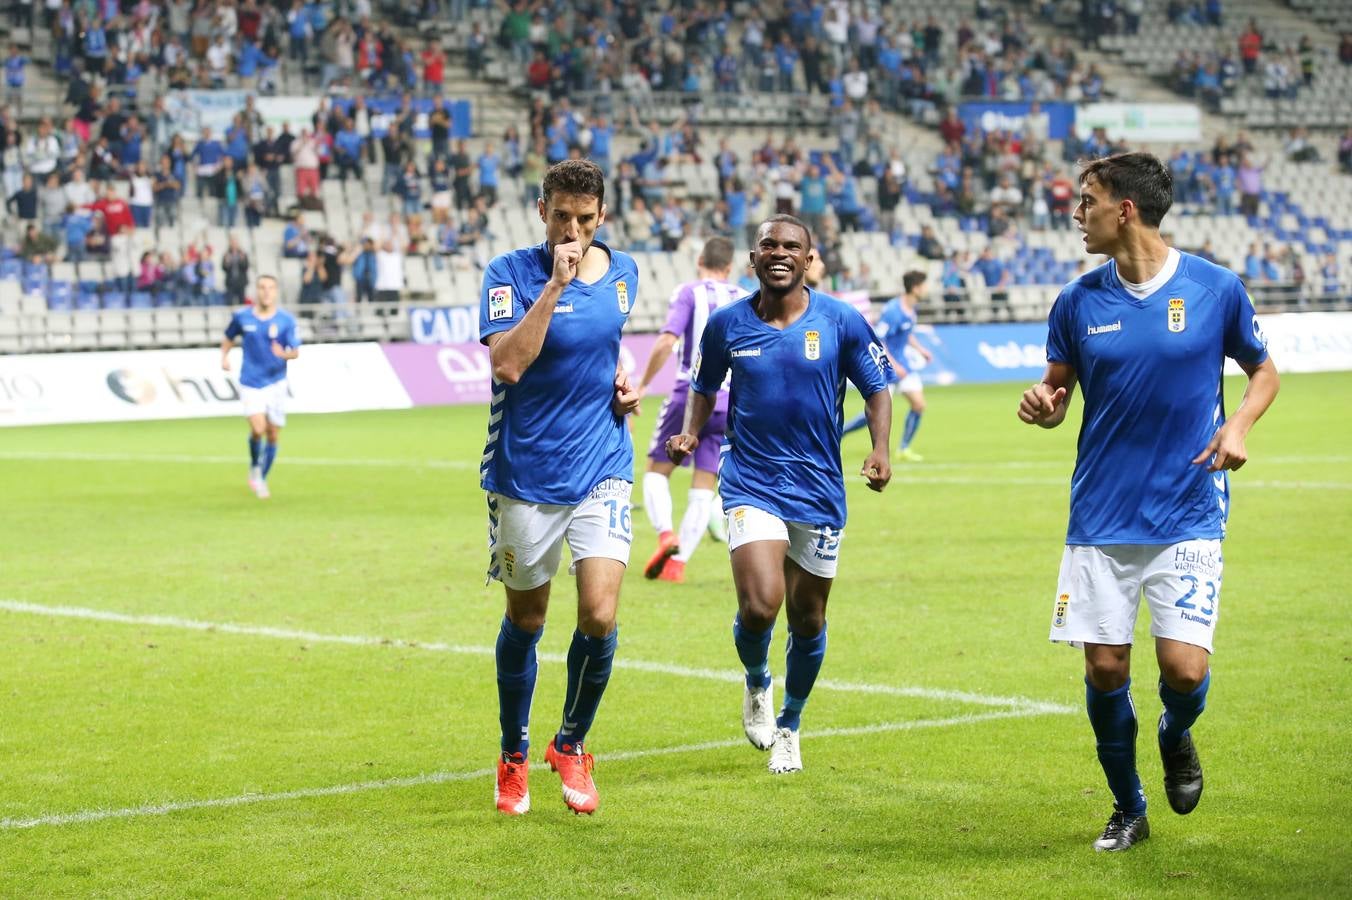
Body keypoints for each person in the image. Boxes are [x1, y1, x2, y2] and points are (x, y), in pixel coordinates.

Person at [1017, 152, 1279, 853]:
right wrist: (1044, 406)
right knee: (1104, 669)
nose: (1077, 214)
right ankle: (1128, 806)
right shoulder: (1077, 301)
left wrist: (1238, 425)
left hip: (1187, 507)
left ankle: (1175, 730)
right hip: (1100, 514)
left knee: (1184, 672)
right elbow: (1056, 391)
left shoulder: (1215, 288)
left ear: (1125, 209)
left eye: (1088, 201)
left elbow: (1263, 372)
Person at [667, 215, 892, 775]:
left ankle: (790, 725)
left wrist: (880, 448)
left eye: (792, 246)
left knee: (808, 618)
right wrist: (692, 431)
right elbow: (703, 386)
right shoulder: (726, 325)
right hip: (751, 480)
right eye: (769, 244)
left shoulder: (841, 320)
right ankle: (757, 680)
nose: (780, 252)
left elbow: (877, 388)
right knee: (760, 604)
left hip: (818, 486)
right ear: (753, 258)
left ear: (809, 259)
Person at [478, 159, 641, 817]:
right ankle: (513, 754)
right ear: (541, 211)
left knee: (599, 615)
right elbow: (508, 364)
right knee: (528, 619)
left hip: (603, 463)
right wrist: (554, 287)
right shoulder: (508, 274)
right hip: (527, 473)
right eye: (561, 216)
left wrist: (623, 383)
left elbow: (606, 348)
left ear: (602, 216)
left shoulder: (624, 274)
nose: (572, 230)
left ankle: (571, 743)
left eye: (585, 219)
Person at [635, 236, 747, 584]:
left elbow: (667, 341)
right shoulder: (745, 298)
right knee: (704, 485)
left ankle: (666, 534)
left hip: (690, 395)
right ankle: (677, 565)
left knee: (656, 472)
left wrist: (642, 385)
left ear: (700, 261)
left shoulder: (688, 292)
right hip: (729, 402)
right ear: (729, 266)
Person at [220, 275, 302, 500]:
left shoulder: (286, 320)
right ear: (256, 290)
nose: (266, 292)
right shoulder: (242, 316)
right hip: (251, 381)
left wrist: (283, 354)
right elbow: (228, 337)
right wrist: (224, 357)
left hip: (276, 382)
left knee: (273, 434)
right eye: (262, 287)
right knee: (258, 429)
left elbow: (295, 351)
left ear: (276, 292)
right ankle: (256, 464)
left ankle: (261, 478)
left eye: (271, 288)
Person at [843, 270, 934, 461]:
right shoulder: (893, 311)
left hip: (904, 366)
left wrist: (921, 350)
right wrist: (893, 365)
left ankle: (903, 448)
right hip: (888, 367)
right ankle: (839, 433)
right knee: (875, 411)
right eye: (924, 285)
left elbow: (907, 333)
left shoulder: (911, 308)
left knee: (918, 404)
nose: (927, 289)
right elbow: (879, 339)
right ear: (915, 288)